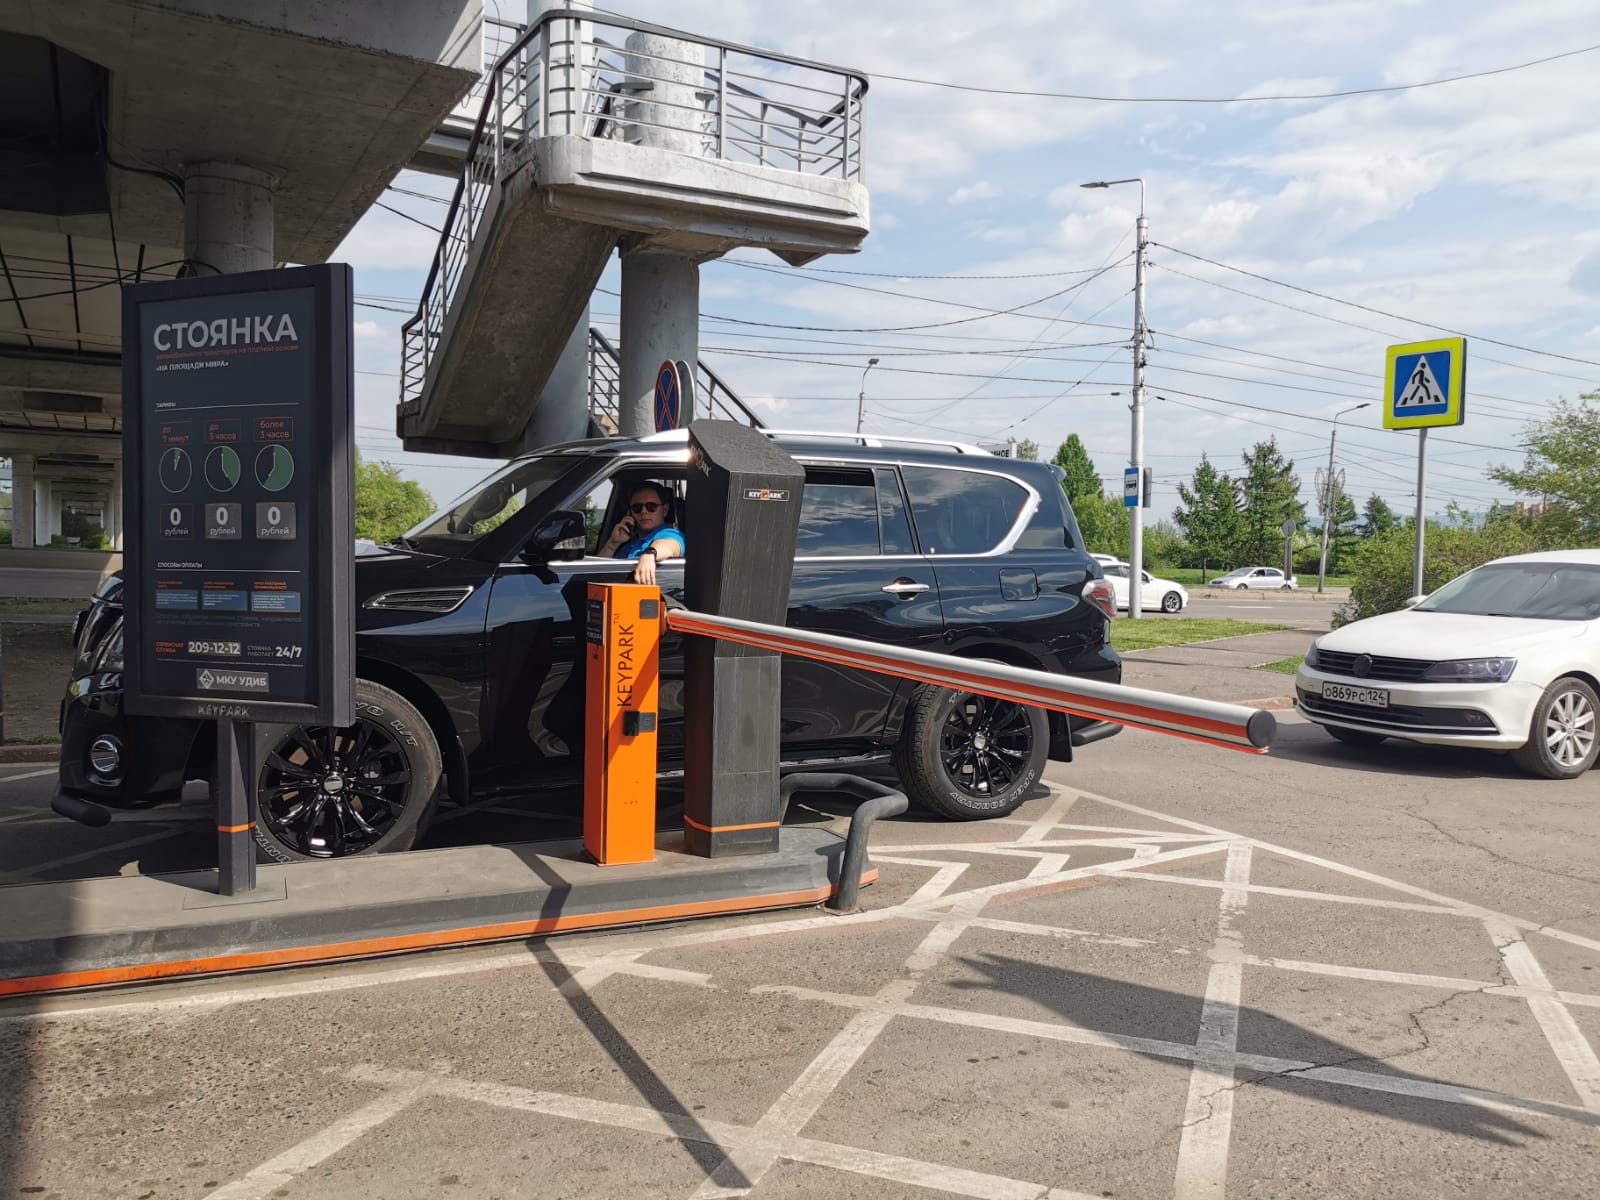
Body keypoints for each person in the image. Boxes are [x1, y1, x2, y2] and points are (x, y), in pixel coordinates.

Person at [601, 481, 684, 586]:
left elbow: (670, 546)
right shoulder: (627, 544)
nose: (644, 511)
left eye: (651, 506)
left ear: (665, 510)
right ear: (630, 513)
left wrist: (650, 554)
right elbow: (595, 573)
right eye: (637, 508)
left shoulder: (670, 534)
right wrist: (612, 544)